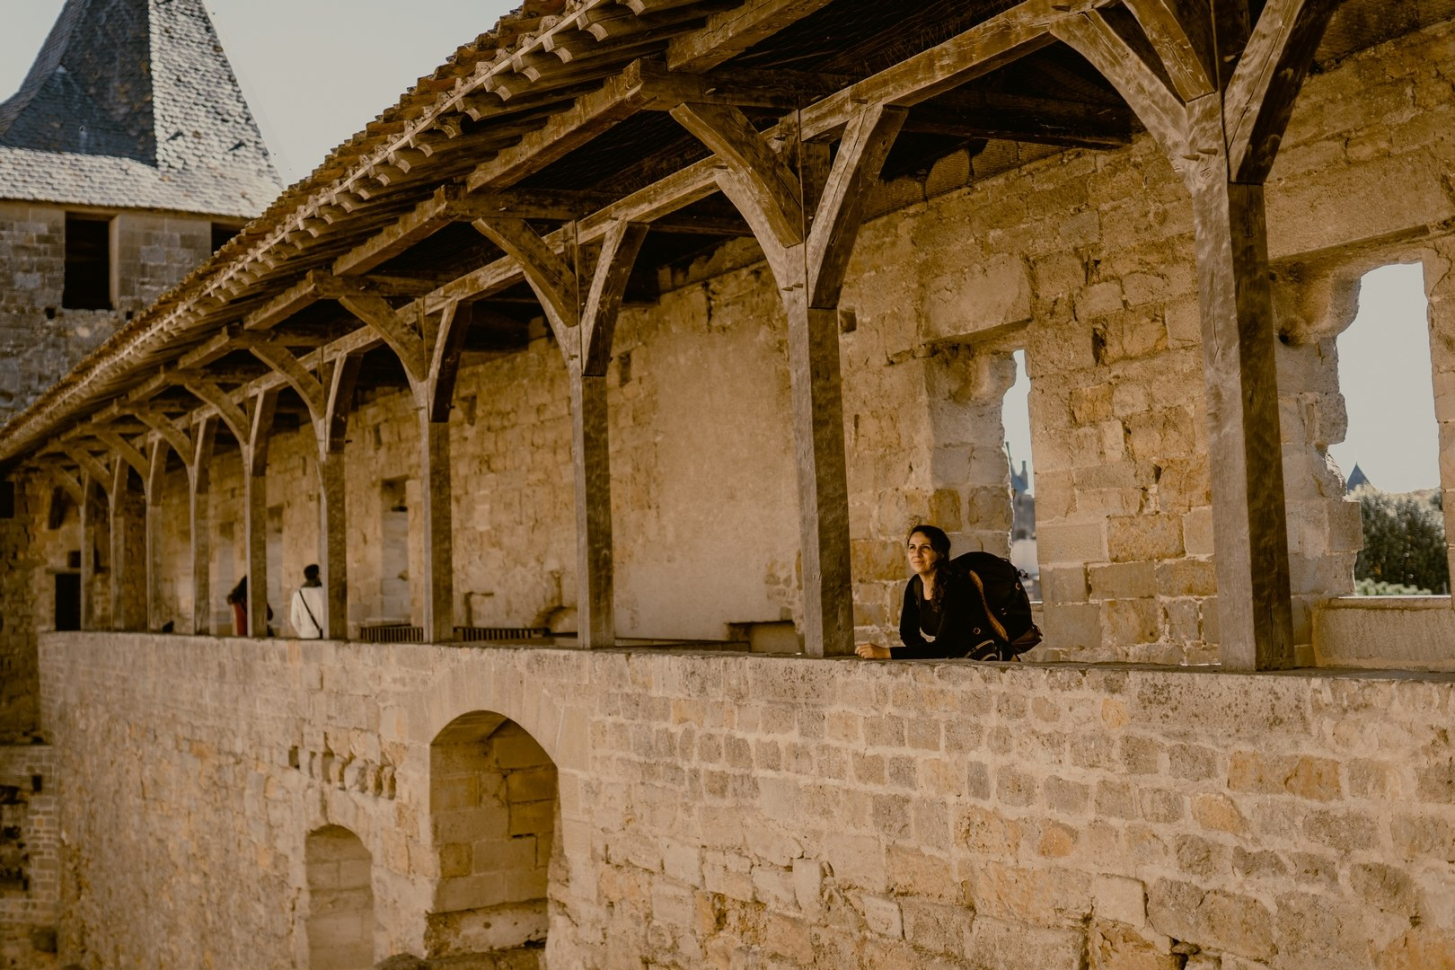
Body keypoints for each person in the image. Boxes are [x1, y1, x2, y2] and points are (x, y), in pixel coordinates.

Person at [855, 524, 1007, 660]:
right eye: (912, 547)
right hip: (958, 660)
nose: (917, 553)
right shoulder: (915, 585)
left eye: (925, 547)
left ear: (940, 553)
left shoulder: (957, 585)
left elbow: (942, 647)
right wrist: (926, 653)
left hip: (986, 657)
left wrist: (886, 653)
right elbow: (908, 633)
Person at [290, 564, 325, 640]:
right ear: (317, 575)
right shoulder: (324, 592)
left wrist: (302, 632)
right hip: (322, 635)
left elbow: (294, 619)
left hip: (305, 636)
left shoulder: (298, 595)